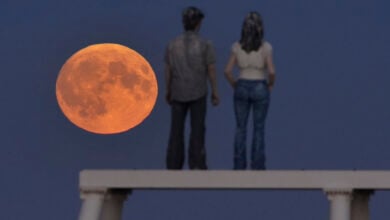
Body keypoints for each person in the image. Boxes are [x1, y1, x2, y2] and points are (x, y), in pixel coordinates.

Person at [165, 6, 219, 170]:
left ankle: (174, 163)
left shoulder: (172, 45)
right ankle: (197, 163)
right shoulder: (205, 44)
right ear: (198, 23)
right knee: (197, 129)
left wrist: (168, 90)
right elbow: (210, 69)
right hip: (198, 91)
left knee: (176, 130)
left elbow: (168, 70)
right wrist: (215, 91)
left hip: (178, 91)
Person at [224, 11, 276, 170]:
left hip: (241, 85)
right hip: (260, 84)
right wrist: (270, 85)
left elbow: (227, 71)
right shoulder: (266, 47)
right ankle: (258, 164)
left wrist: (235, 84)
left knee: (241, 127)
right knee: (259, 127)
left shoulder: (236, 47)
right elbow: (272, 71)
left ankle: (239, 164)